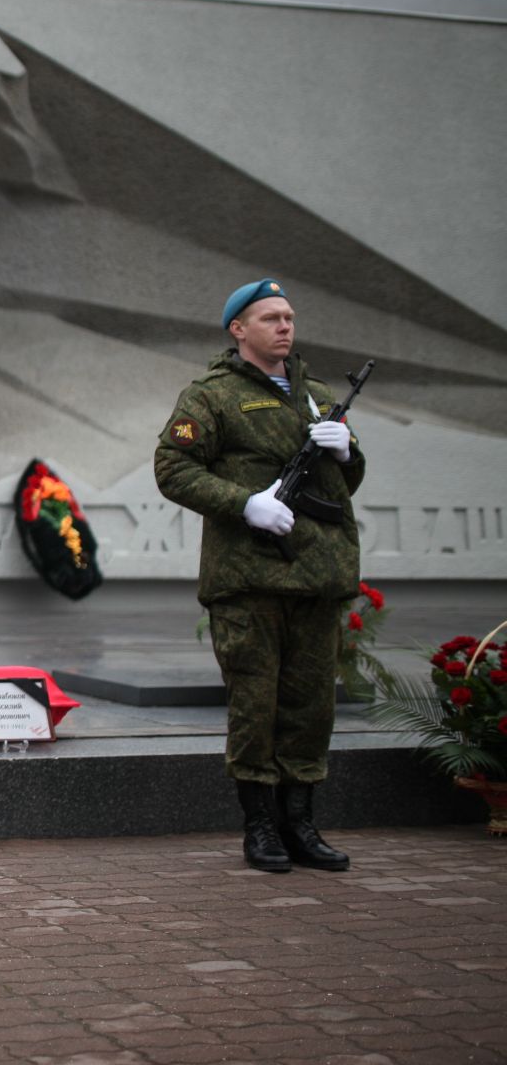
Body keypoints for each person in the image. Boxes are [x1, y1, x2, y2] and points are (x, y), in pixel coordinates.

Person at [154, 278, 362, 874]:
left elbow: (344, 483)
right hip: (250, 577)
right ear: (238, 329)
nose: (285, 326)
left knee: (311, 708)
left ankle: (302, 824)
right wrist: (244, 502)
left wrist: (346, 452)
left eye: (290, 316)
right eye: (270, 317)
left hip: (317, 574)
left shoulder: (318, 396)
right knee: (255, 705)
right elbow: (173, 468)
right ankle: (261, 826)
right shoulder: (211, 396)